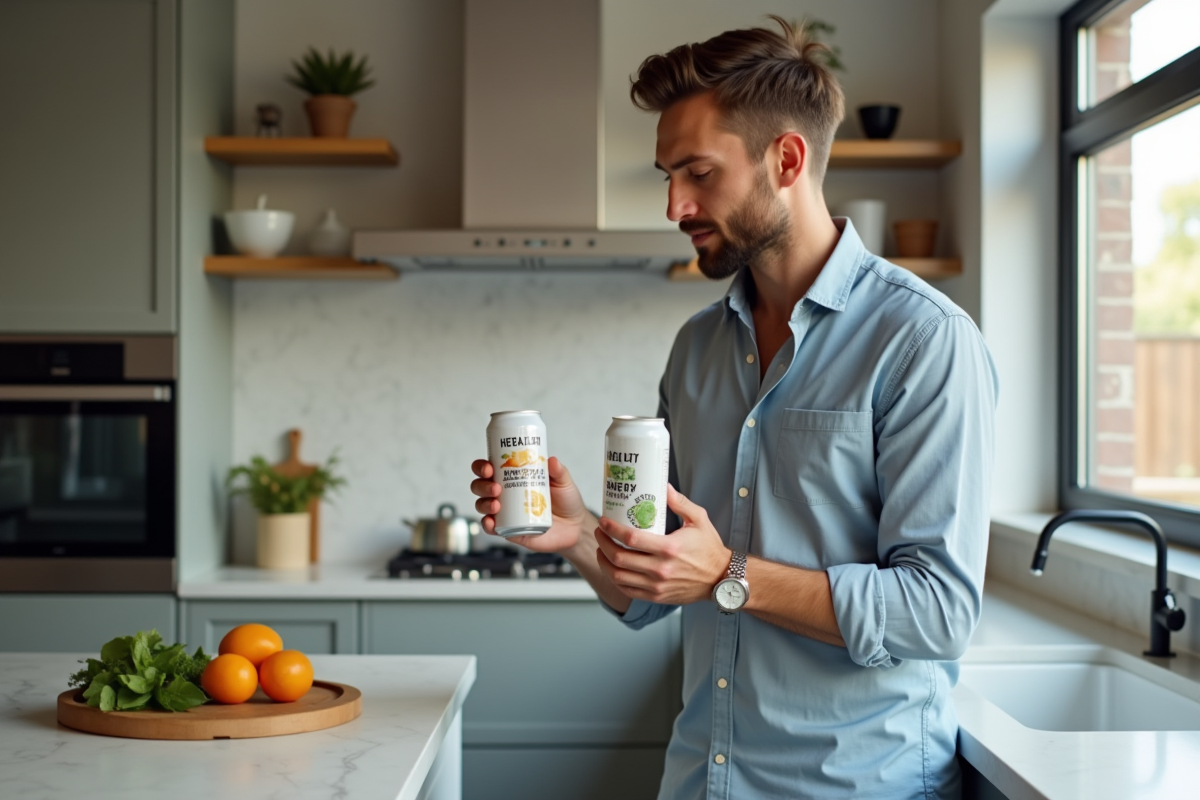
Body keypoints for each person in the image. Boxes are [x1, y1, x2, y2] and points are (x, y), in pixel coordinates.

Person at [470, 17, 997, 800]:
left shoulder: (922, 340)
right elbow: (654, 590)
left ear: (785, 159)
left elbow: (937, 614)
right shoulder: (697, 349)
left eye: (698, 172)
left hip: (856, 786)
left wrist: (730, 574)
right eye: (666, 176)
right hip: (703, 780)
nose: (675, 204)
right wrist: (582, 535)